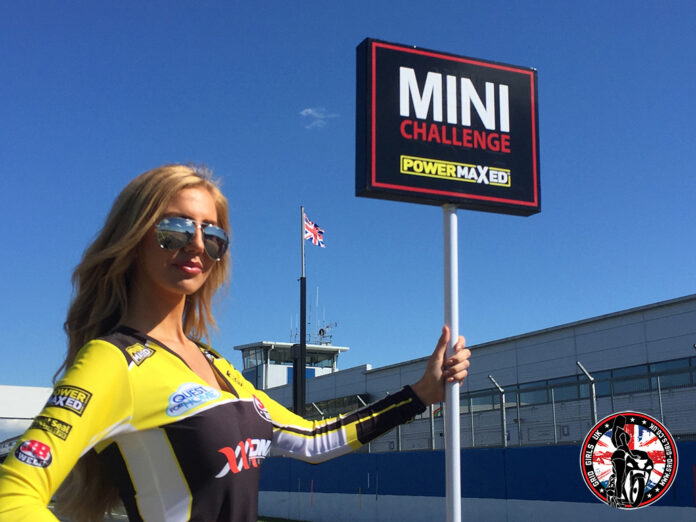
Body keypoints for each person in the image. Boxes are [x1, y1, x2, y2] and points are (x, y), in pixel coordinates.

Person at [0, 164, 470, 522]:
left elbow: (314, 440)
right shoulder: (112, 360)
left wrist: (419, 396)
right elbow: (13, 494)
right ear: (134, 238)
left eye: (213, 235)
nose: (197, 245)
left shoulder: (213, 361)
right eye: (175, 230)